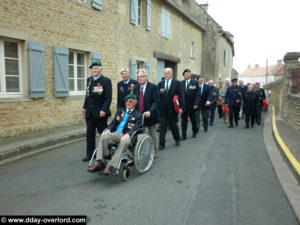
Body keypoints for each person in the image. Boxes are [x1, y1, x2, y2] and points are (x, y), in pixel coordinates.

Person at [87, 94, 142, 175]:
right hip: (116, 134)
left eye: (130, 101)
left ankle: (110, 166)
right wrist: (108, 129)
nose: (128, 103)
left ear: (134, 103)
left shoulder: (138, 115)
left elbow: (136, 128)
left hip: (126, 135)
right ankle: (99, 163)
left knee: (124, 142)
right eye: (126, 101)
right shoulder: (120, 111)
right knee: (104, 137)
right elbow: (113, 123)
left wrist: (128, 134)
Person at [82, 61, 112, 162]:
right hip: (90, 113)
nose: (94, 70)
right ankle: (90, 154)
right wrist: (84, 107)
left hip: (100, 113)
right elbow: (87, 96)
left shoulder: (106, 81)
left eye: (96, 68)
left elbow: (108, 98)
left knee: (104, 134)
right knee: (89, 134)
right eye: (93, 69)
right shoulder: (89, 80)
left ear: (101, 69)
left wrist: (104, 109)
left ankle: (109, 151)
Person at [134, 69, 160, 158]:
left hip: (150, 114)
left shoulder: (153, 87)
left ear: (146, 77)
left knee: (152, 134)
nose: (139, 79)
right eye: (138, 77)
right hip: (139, 115)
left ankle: (155, 151)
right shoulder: (136, 87)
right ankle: (141, 150)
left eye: (141, 77)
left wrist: (150, 111)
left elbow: (156, 101)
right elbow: (134, 101)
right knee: (139, 134)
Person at [158, 68, 185, 150]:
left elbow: (181, 96)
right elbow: (158, 96)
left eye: (168, 73)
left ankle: (177, 139)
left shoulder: (177, 83)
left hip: (173, 109)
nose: (166, 75)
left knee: (173, 126)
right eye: (165, 73)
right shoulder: (160, 84)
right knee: (162, 128)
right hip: (162, 110)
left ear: (172, 74)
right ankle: (161, 144)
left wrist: (181, 107)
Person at [180, 69, 200, 140]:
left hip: (192, 105)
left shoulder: (195, 83)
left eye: (188, 73)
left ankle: (194, 132)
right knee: (183, 122)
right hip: (184, 106)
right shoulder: (181, 83)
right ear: (183, 75)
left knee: (193, 120)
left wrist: (196, 103)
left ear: (190, 75)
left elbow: (197, 94)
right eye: (185, 74)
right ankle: (183, 135)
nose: (186, 75)